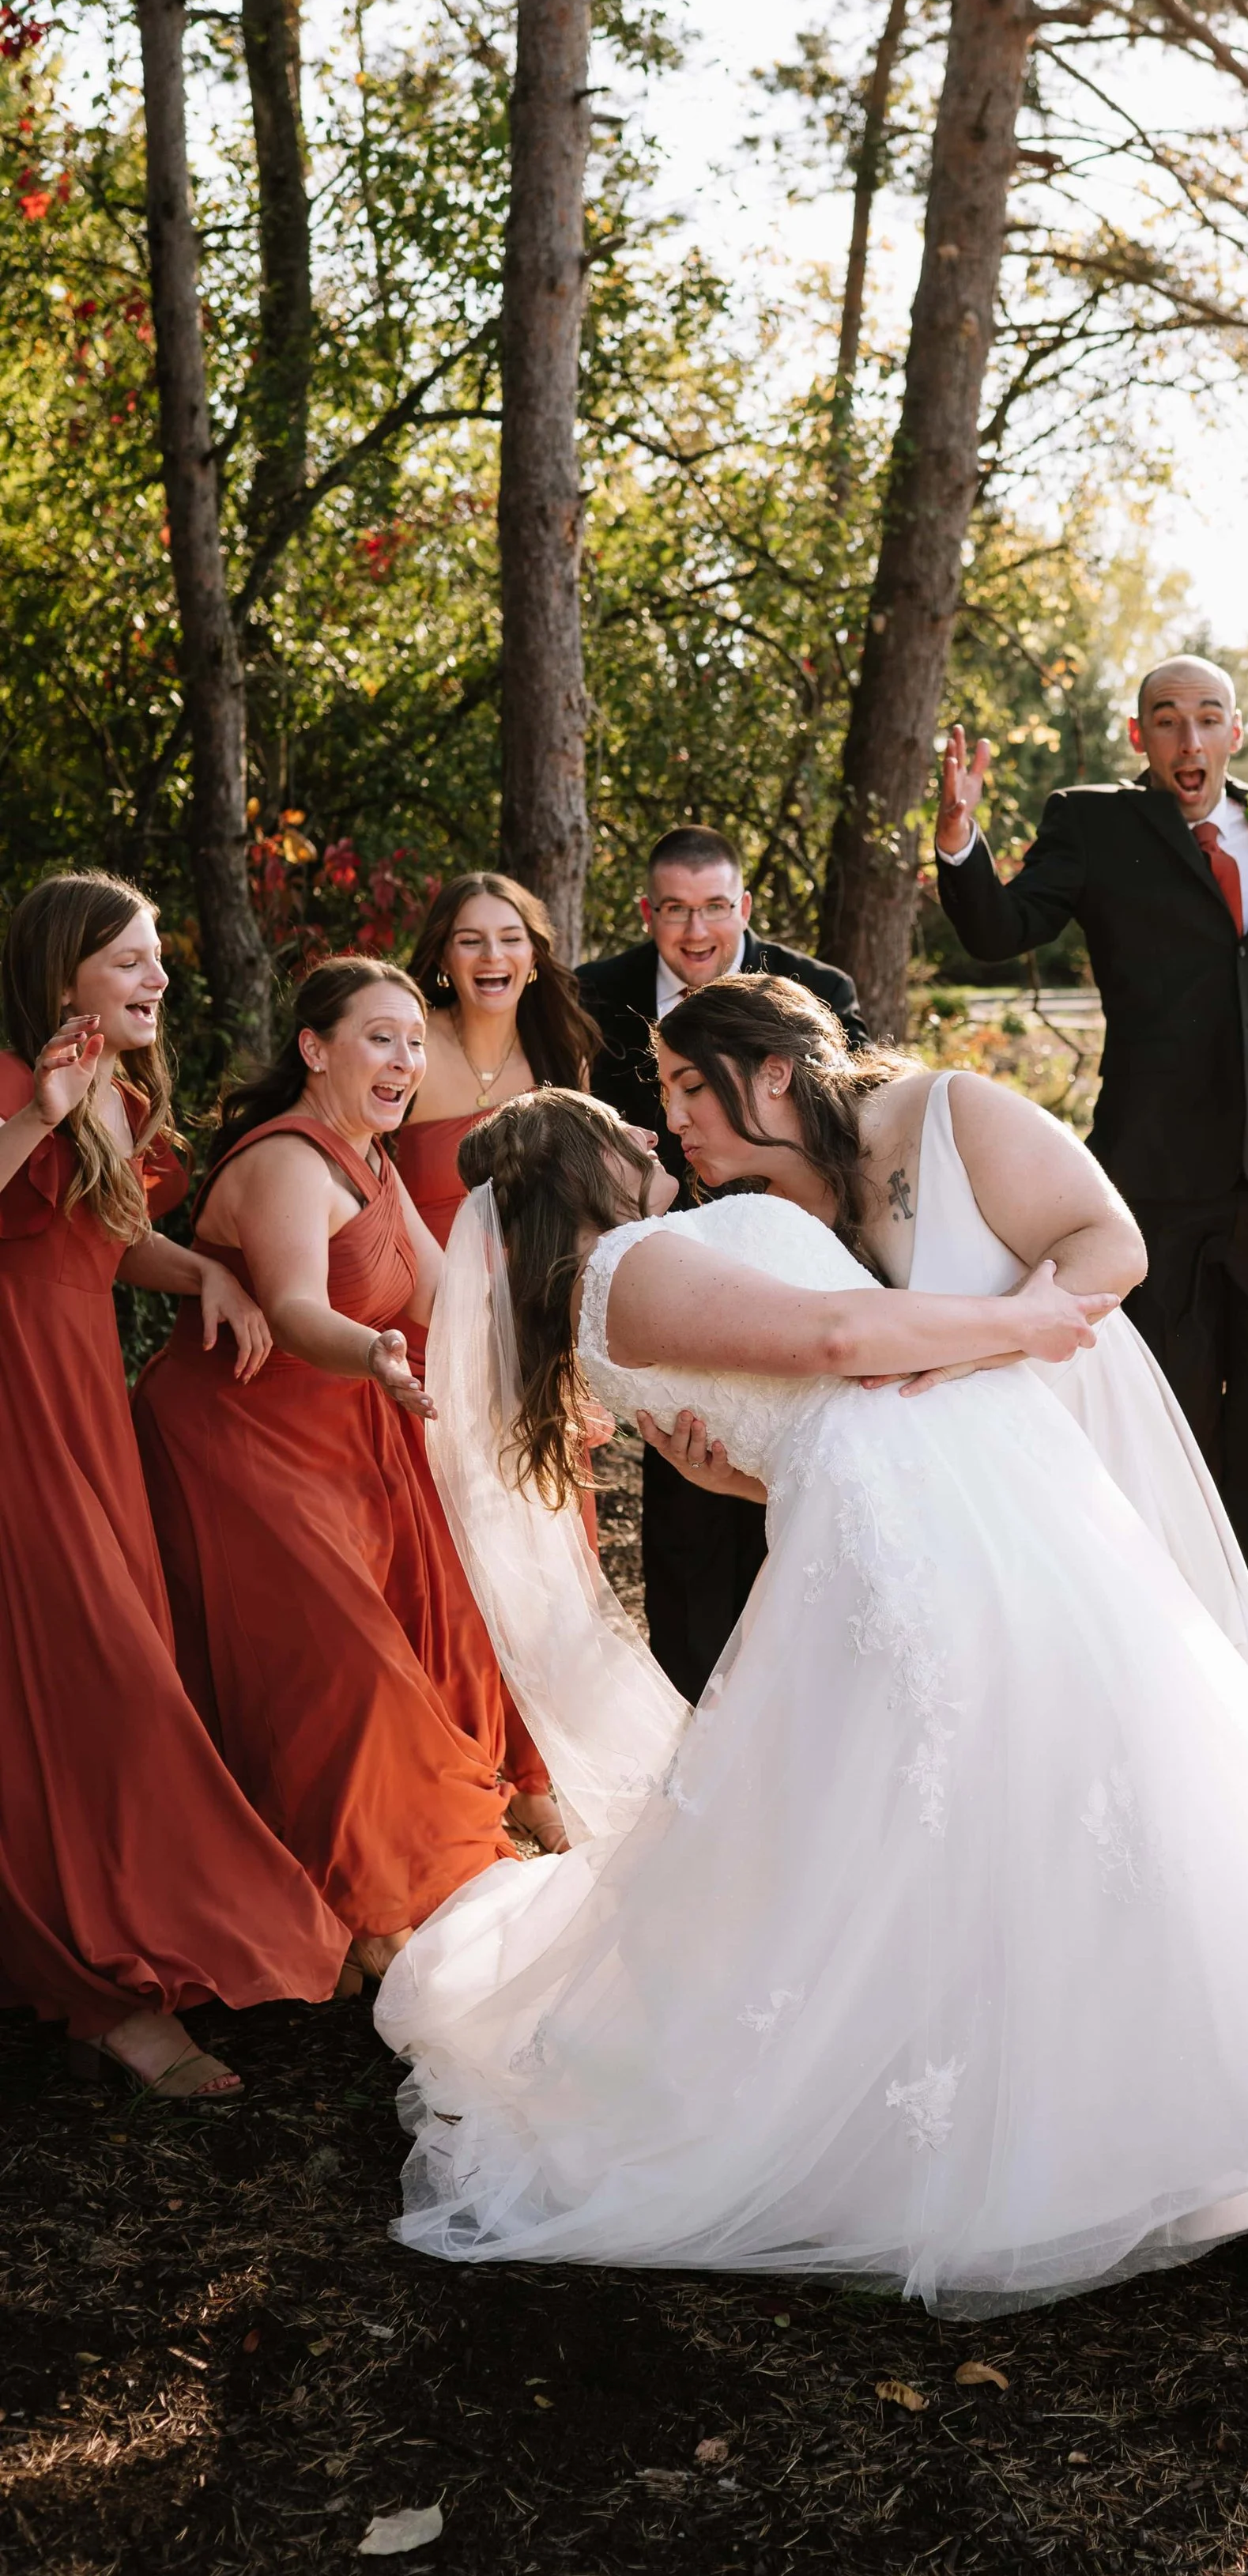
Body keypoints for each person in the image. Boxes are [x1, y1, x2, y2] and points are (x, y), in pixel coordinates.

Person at [379, 1087, 1248, 2309]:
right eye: (631, 1130)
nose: (656, 1142)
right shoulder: (633, 1267)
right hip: (929, 1558)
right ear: (585, 1173)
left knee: (1093, 1821)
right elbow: (841, 1341)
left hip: (948, 1519)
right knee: (1110, 1818)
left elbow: (769, 1454)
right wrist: (1021, 1326)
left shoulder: (645, 1283)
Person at [649, 975, 1248, 1707]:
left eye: (690, 1086)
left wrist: (978, 1346)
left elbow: (1114, 1246)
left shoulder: (943, 1110)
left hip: (1075, 1439)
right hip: (952, 1518)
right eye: (667, 1092)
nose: (673, 1115)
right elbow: (858, 1421)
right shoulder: (773, 1227)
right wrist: (739, 1475)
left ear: (773, 1070)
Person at [935, 655, 1248, 1622]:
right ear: (1138, 737)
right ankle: (1166, 1614)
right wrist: (959, 840)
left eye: (1207, 719)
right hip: (1154, 1165)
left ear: (1236, 731)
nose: (1187, 739)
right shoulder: (1095, 822)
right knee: (1169, 1395)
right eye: (1166, 720)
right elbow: (1000, 928)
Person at [134, 958, 559, 1979]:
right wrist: (368, 1353)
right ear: (315, 1048)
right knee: (348, 1674)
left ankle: (391, 1881)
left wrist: (555, 1334)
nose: (406, 1060)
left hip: (340, 1444)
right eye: (380, 1037)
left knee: (432, 1632)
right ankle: (376, 1908)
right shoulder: (286, 1160)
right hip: (240, 1444)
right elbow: (292, 1310)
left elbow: (442, 1295)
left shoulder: (370, 1161)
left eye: (416, 1040)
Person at [0, 874, 347, 2093]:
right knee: (103, 1678)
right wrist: (38, 1112)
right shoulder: (19, 1083)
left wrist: (205, 1277)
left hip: (83, 1402)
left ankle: (146, 1934)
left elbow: (91, 1239)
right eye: (132, 962)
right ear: (63, 980)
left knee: (111, 1663)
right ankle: (106, 1991)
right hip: (15, 1417)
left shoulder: (117, 1094)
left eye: (157, 959)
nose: (159, 979)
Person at [579, 825, 867, 1694]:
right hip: (678, 1295)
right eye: (676, 909)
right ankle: (697, 1726)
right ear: (649, 913)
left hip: (801, 1273)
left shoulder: (816, 991)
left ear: (742, 907)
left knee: (803, 1498)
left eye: (714, 907)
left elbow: (845, 1129)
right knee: (689, 1504)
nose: (696, 930)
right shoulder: (598, 996)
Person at [398, 870, 600, 1252]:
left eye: (510, 939)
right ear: (443, 956)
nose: (493, 955)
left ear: (534, 954)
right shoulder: (408, 1046)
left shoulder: (563, 1056)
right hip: (417, 1298)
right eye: (470, 941)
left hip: (530, 1299)